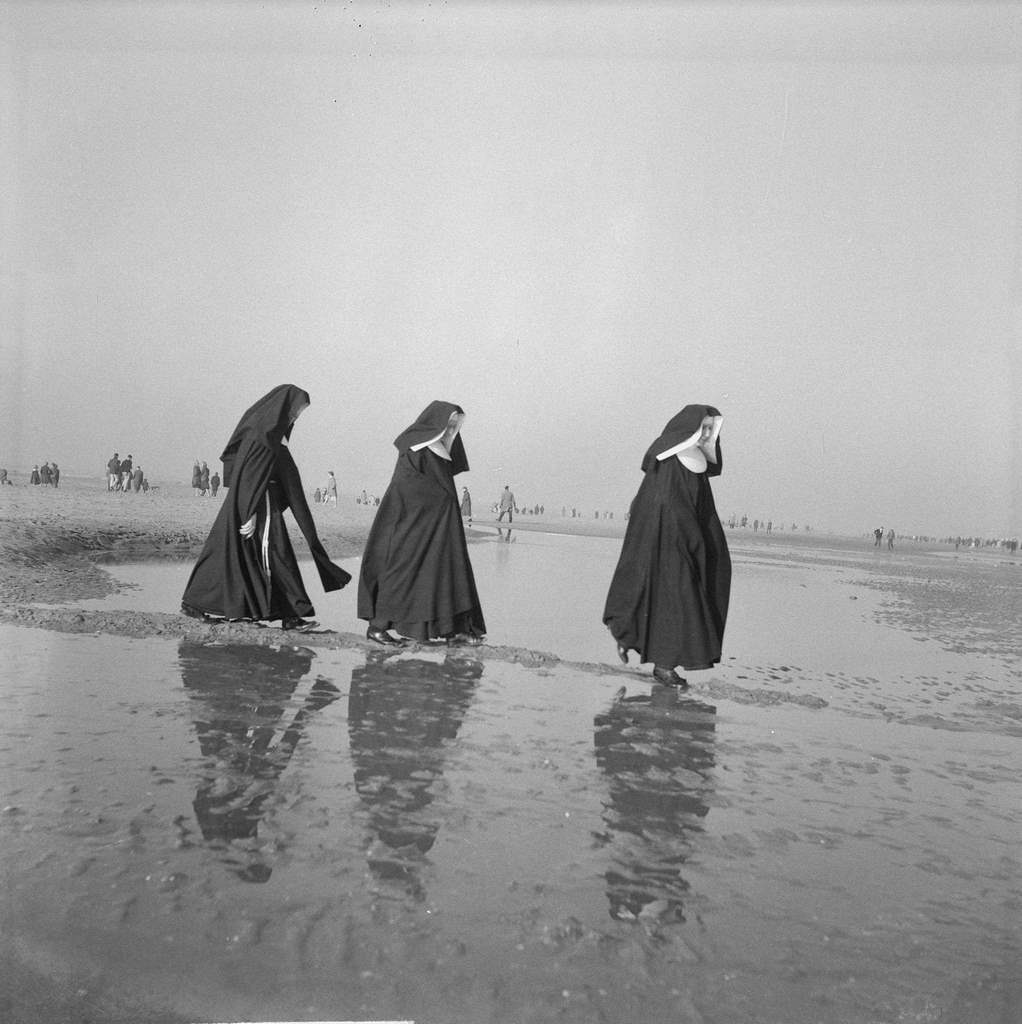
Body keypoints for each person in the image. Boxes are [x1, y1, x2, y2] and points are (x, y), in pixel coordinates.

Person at [181, 384, 351, 631]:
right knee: (275, 555)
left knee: (232, 554)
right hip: (258, 506)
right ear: (284, 408)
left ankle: (200, 604)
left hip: (258, 504)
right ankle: (292, 614)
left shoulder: (270, 435)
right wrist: (249, 513)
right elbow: (250, 476)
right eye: (296, 411)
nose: (296, 417)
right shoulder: (263, 436)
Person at [603, 404, 731, 688]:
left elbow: (700, 508)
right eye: (704, 427)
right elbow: (664, 505)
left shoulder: (694, 461)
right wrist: (685, 535)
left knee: (677, 603)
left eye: (711, 429)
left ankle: (631, 639)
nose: (707, 433)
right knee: (676, 603)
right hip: (668, 543)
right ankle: (662, 665)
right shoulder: (671, 461)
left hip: (686, 542)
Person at [358, 400, 486, 647]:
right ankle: (378, 627)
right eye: (447, 423)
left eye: (454, 425)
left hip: (440, 526)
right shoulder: (415, 448)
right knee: (405, 572)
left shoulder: (439, 449)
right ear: (435, 422)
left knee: (448, 573)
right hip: (413, 524)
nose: (451, 429)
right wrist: (438, 502)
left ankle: (455, 630)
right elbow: (407, 486)